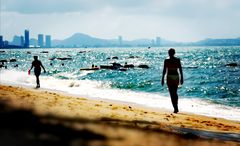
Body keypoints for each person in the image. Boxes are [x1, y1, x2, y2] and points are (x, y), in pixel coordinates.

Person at [161, 48, 183, 113]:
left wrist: (162, 78)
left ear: (169, 53)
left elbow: (164, 70)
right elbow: (180, 70)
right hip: (176, 76)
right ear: (174, 53)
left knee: (171, 93)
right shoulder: (177, 60)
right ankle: (176, 107)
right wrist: (182, 78)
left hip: (170, 77)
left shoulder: (166, 60)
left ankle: (175, 108)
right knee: (175, 93)